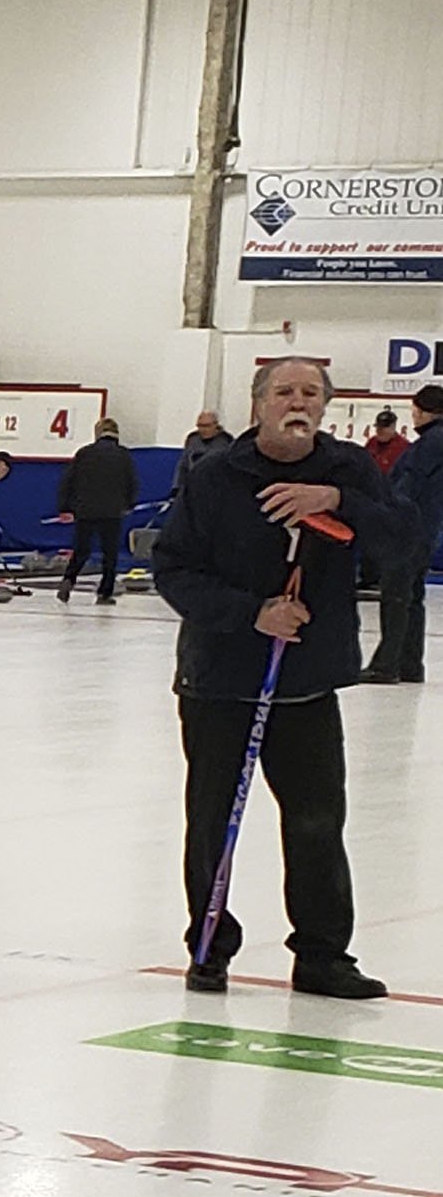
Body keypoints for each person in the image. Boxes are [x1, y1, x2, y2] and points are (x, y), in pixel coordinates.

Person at [157, 352, 399, 999]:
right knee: (212, 821)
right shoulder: (215, 476)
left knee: (318, 822)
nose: (298, 401)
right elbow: (174, 569)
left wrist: (339, 500)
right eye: (285, 391)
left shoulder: (348, 468)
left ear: (325, 406)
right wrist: (251, 614)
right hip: (220, 678)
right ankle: (209, 946)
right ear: (259, 403)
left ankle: (323, 956)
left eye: (311, 392)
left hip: (308, 681)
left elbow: (402, 542)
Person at [364, 385, 443, 684]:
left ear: (423, 411)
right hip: (426, 530)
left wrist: (383, 513)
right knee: (412, 599)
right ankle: (411, 664)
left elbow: (407, 487)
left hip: (408, 531)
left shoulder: (428, 445)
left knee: (396, 597)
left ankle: (387, 665)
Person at [57, 416, 140, 607]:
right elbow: (132, 483)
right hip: (112, 511)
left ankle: (68, 579)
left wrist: (65, 507)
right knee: (109, 553)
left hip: (85, 509)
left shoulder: (84, 453)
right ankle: (104, 593)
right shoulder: (123, 455)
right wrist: (129, 504)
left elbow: (68, 481)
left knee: (81, 550)